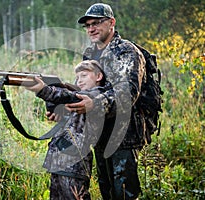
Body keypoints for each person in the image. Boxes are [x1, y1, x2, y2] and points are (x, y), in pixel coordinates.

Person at [47, 3, 147, 200]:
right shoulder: (90, 53)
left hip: (124, 134)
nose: (91, 28)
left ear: (111, 23)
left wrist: (96, 104)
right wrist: (61, 104)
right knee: (106, 189)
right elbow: (83, 88)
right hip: (98, 132)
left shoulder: (126, 51)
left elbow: (128, 92)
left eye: (96, 23)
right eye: (87, 25)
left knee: (124, 191)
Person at [26, 60, 115, 200]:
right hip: (57, 161)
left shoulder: (97, 95)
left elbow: (68, 96)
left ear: (99, 76)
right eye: (77, 77)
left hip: (75, 163)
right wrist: (54, 108)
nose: (79, 80)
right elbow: (62, 101)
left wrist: (44, 90)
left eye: (84, 75)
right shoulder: (77, 100)